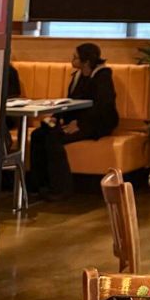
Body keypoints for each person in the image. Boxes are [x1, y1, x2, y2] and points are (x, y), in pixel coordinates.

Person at [29, 42, 119, 199]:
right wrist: (56, 118)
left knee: (53, 138)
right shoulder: (77, 76)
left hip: (97, 124)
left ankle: (61, 189)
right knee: (38, 135)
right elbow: (71, 102)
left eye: (75, 57)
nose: (72, 60)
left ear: (86, 61)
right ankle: (39, 185)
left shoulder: (103, 76)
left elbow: (103, 106)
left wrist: (79, 124)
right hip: (76, 121)